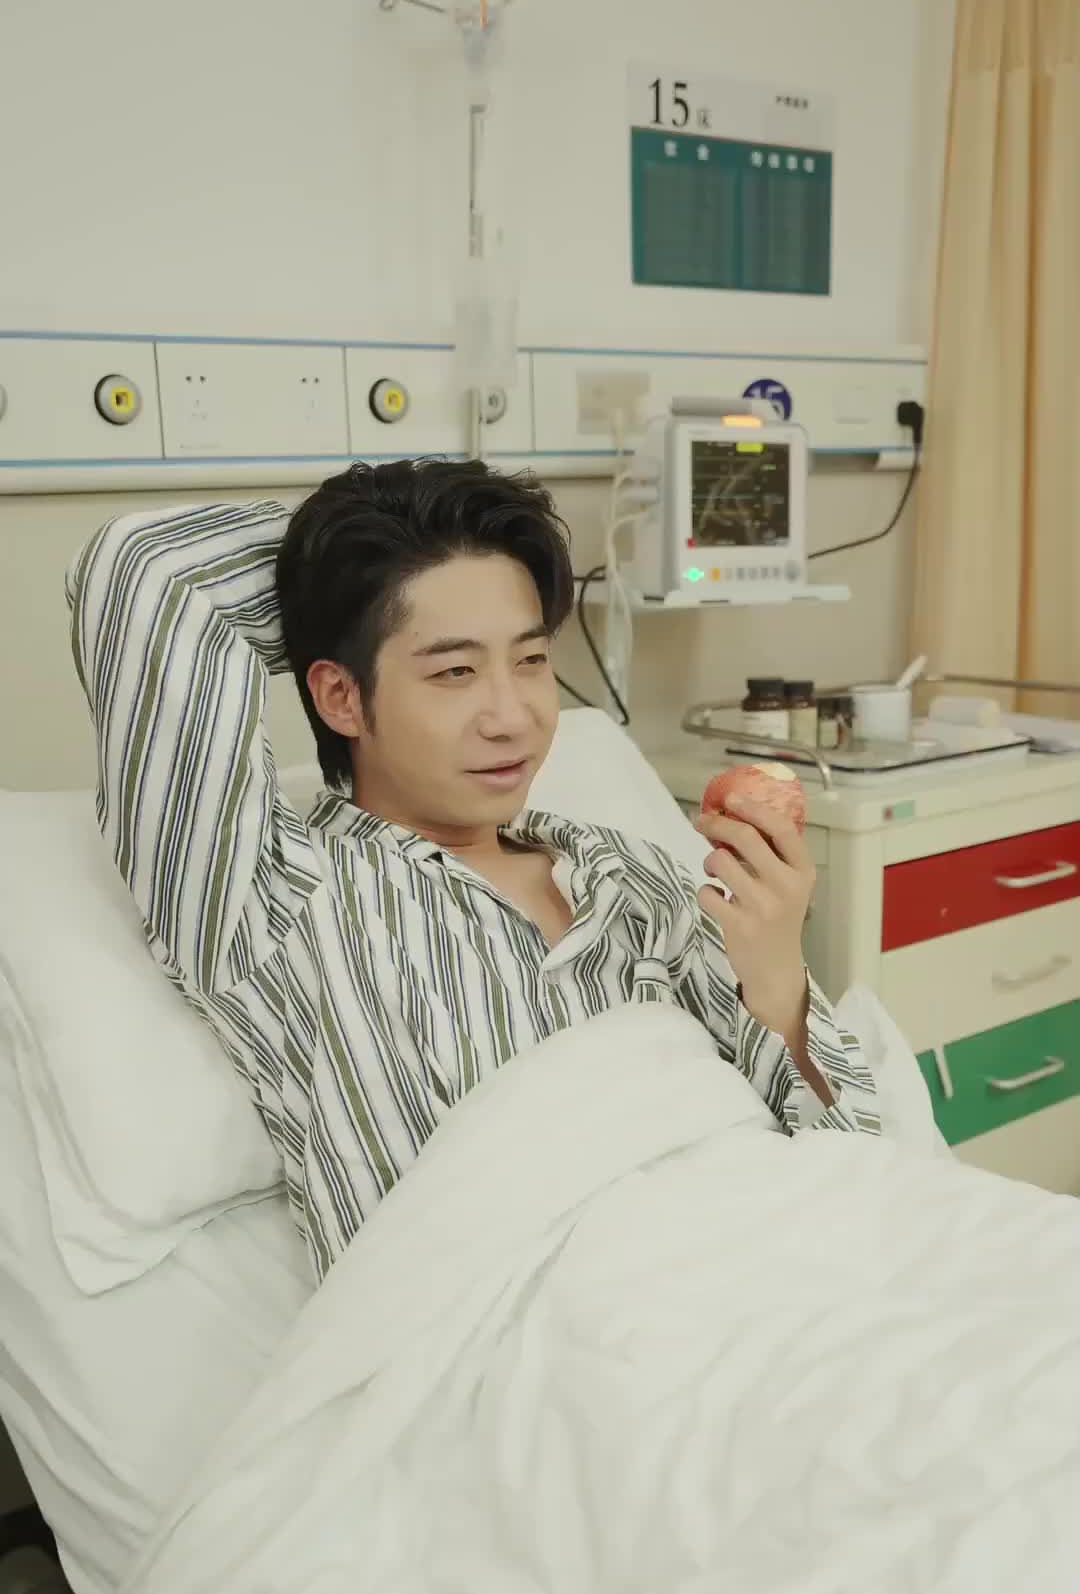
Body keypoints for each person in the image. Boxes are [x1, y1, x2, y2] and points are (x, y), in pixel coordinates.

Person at [68, 459, 879, 1283]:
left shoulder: (625, 873)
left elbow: (853, 1165)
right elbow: (148, 572)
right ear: (341, 697)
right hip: (529, 1330)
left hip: (753, 1274)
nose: (512, 716)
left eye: (530, 660)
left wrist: (776, 980)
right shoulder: (272, 892)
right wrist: (350, 556)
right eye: (455, 671)